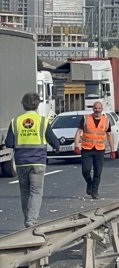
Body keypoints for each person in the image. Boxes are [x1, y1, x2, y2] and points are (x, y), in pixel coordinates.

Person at [3, 92, 61, 228]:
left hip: (21, 162)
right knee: (36, 192)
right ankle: (31, 220)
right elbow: (53, 140)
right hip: (38, 161)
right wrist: (57, 147)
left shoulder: (15, 121)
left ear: (23, 104)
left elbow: (9, 143)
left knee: (25, 192)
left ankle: (27, 219)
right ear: (37, 104)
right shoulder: (42, 121)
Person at [73, 101, 115, 199]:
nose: (97, 110)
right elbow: (79, 132)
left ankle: (94, 192)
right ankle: (89, 182)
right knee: (85, 170)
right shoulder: (86, 118)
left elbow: (109, 135)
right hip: (87, 149)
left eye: (99, 108)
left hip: (100, 149)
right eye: (95, 108)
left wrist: (113, 150)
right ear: (93, 109)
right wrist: (76, 145)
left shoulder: (106, 120)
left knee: (98, 172)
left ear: (102, 109)